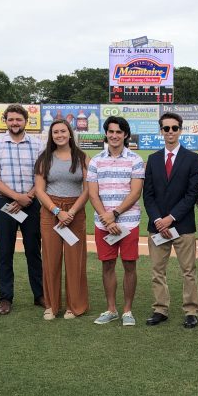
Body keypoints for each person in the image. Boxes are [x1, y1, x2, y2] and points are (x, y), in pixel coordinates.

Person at [0, 104, 44, 315]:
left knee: (33, 250)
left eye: (18, 119)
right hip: (5, 204)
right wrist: (17, 197)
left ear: (25, 121)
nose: (15, 123)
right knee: (5, 251)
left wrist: (28, 197)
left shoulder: (37, 144)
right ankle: (5, 298)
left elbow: (42, 176)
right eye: (11, 119)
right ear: (6, 121)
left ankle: (40, 294)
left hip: (32, 203)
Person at [143, 112, 198, 328]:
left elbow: (191, 194)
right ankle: (160, 309)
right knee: (157, 271)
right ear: (161, 131)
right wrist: (159, 219)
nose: (170, 132)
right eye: (166, 128)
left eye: (174, 128)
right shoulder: (153, 159)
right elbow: (148, 195)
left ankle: (191, 311)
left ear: (180, 130)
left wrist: (171, 218)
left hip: (182, 225)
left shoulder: (192, 158)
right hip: (157, 226)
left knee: (188, 271)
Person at [87, 116, 145, 326]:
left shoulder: (135, 160)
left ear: (125, 134)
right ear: (106, 133)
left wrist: (115, 213)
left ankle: (127, 311)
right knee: (108, 265)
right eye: (111, 131)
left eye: (119, 132)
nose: (114, 135)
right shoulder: (95, 160)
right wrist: (107, 218)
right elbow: (93, 194)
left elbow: (135, 192)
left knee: (129, 265)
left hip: (128, 222)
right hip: (104, 222)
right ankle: (111, 309)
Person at [34, 119, 89, 320]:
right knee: (51, 259)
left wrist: (71, 212)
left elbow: (88, 189)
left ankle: (74, 306)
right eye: (55, 132)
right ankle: (51, 306)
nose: (59, 135)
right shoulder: (44, 158)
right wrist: (57, 211)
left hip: (75, 211)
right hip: (51, 211)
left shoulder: (82, 157)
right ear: (51, 135)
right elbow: (39, 190)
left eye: (63, 131)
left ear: (70, 133)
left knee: (75, 261)